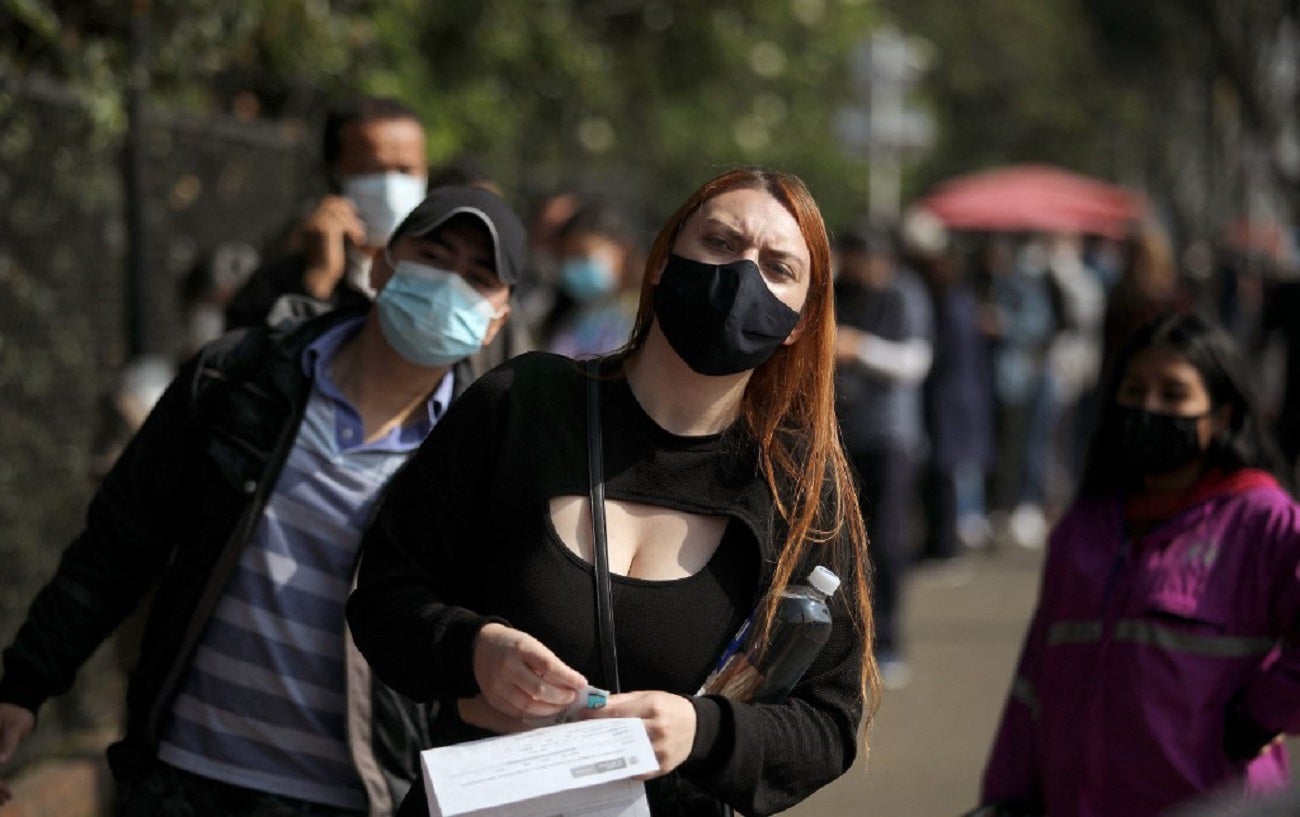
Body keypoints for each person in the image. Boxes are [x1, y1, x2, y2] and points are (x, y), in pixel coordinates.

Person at [346, 166, 879, 817]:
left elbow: (828, 723)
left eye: (778, 267)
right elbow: (384, 596)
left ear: (798, 321)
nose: (742, 276)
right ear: (660, 263)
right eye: (720, 242)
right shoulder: (524, 403)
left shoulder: (797, 484)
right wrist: (474, 648)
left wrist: (701, 730)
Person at [0, 185, 528, 815]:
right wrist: (23, 685)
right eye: (435, 257)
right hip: (179, 778)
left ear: (499, 317)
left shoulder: (487, 458)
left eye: (478, 278)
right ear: (382, 262)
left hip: (352, 797)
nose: (449, 288)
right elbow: (117, 544)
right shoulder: (238, 377)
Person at [976, 311, 1300, 817]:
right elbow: (1034, 682)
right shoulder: (1083, 528)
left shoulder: (1266, 522)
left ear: (1223, 416)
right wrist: (1006, 795)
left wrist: (1264, 713)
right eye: (1133, 390)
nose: (1149, 407)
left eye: (1173, 394)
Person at [225, 95, 429, 329]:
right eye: (372, 169)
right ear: (333, 176)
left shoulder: (446, 272)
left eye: (406, 170)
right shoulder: (281, 280)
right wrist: (317, 284)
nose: (391, 187)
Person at [832, 221, 933, 689]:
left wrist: (858, 349)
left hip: (889, 439)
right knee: (840, 544)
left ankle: (887, 642)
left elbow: (915, 362)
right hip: (839, 434)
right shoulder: (836, 291)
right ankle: (840, 644)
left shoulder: (905, 294)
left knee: (887, 542)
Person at [543, 200, 644, 358]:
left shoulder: (645, 316)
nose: (573, 268)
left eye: (583, 256)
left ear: (622, 250)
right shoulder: (570, 317)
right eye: (568, 258)